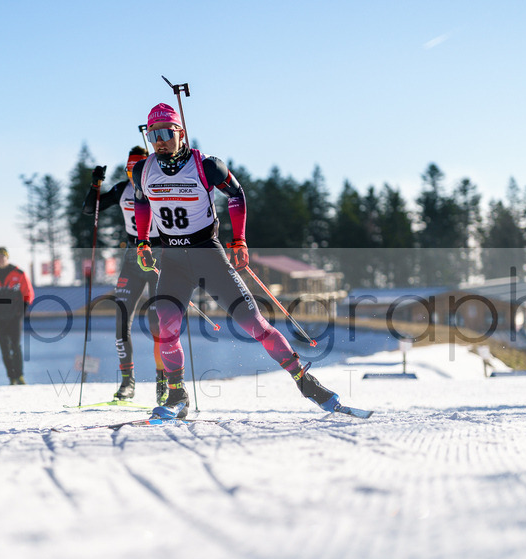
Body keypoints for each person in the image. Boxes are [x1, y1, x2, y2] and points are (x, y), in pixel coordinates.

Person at [132, 103, 344, 418]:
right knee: (166, 326)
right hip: (172, 260)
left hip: (208, 255)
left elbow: (236, 194)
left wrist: (239, 239)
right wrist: (143, 240)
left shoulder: (207, 166)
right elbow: (141, 201)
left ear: (181, 133)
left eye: (165, 133)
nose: (159, 141)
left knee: (254, 324)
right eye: (153, 135)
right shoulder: (143, 169)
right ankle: (177, 396)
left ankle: (305, 379)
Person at [82, 146, 167, 403]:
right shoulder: (122, 190)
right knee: (121, 320)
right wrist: (95, 185)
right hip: (132, 258)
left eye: (137, 169)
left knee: (158, 324)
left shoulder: (159, 185)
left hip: (158, 256)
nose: (133, 175)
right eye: (129, 170)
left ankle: (163, 383)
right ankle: (127, 383)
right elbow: (90, 209)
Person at [0, 247, 34, 384]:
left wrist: (22, 309)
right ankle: (11, 377)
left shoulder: (18, 273)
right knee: (4, 348)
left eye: (3, 256)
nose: (1, 259)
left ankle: (20, 375)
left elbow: (28, 292)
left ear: (7, 257)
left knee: (15, 346)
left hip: (14, 316)